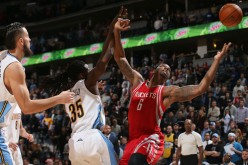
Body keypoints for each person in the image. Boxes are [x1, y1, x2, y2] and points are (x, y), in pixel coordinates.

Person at [113, 11, 231, 164]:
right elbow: (120, 58)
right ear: (155, 69)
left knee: (136, 161)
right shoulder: (137, 82)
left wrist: (216, 61)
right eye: (164, 66)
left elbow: (200, 88)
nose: (167, 69)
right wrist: (116, 31)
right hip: (133, 139)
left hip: (150, 138)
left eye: (169, 69)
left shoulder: (167, 93)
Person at [43, 7, 130, 165]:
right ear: (81, 75)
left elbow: (83, 98)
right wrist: (114, 29)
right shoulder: (87, 82)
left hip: (75, 144)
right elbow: (105, 57)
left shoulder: (67, 95)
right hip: (92, 138)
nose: (90, 71)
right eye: (87, 69)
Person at [0, 22, 74, 164]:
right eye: (27, 37)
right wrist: (58, 99)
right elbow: (27, 107)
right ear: (21, 42)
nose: (30, 40)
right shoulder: (14, 67)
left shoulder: (3, 57)